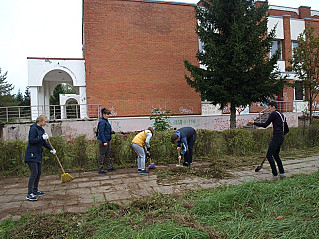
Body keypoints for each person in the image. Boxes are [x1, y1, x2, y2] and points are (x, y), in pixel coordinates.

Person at [249, 101, 289, 180]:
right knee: (276, 155)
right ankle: (282, 174)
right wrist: (281, 135)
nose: (269, 109)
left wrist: (254, 123)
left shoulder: (273, 114)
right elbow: (287, 129)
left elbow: (265, 125)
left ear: (273, 107)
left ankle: (275, 175)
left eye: (269, 107)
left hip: (277, 137)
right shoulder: (282, 115)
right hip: (281, 137)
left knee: (269, 155)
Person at [24, 115, 56, 201]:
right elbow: (31, 140)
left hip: (38, 154)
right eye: (45, 121)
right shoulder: (33, 128)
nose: (46, 123)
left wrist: (51, 149)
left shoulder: (41, 130)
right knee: (34, 173)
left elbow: (43, 142)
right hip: (31, 154)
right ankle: (29, 193)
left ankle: (35, 190)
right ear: (40, 121)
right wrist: (41, 137)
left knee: (38, 173)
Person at [97, 108, 116, 174]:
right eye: (107, 114)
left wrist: (111, 132)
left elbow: (106, 130)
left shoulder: (106, 120)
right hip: (103, 141)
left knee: (107, 154)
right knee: (102, 155)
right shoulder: (102, 122)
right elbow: (101, 132)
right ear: (103, 114)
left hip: (108, 139)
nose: (108, 116)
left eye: (108, 114)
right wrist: (104, 141)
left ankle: (108, 167)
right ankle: (100, 169)